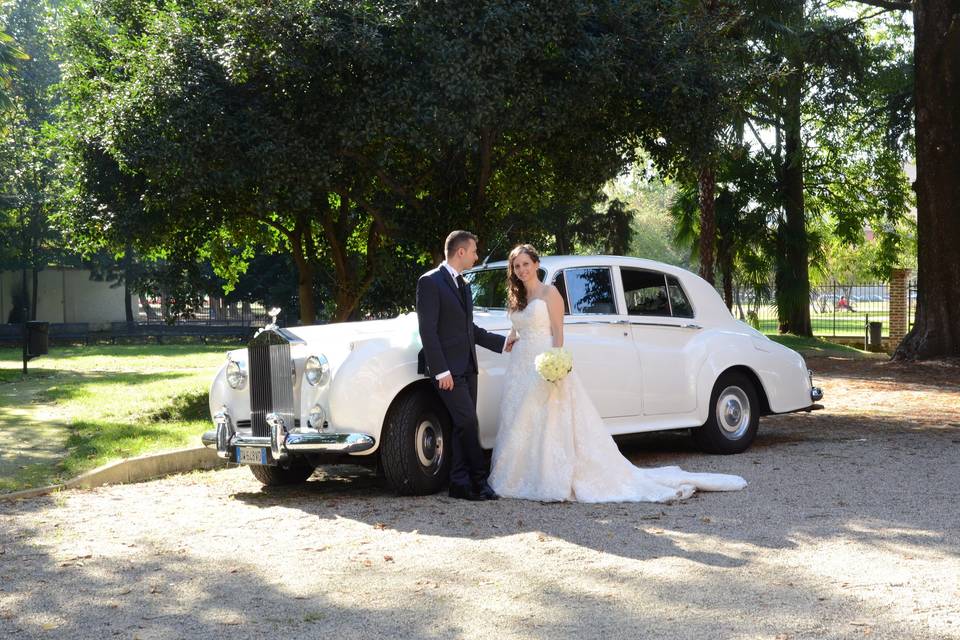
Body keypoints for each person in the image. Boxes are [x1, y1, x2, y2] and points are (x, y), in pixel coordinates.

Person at [488, 244, 747, 503]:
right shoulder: (518, 296)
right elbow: (518, 325)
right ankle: (519, 477)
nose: (522, 270)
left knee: (549, 421)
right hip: (520, 364)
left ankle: (549, 477)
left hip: (545, 362)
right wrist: (511, 338)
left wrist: (555, 364)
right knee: (522, 421)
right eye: (517, 266)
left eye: (526, 264)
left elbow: (558, 331)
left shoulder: (550, 293)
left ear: (535, 264)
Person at [416, 230, 512, 501]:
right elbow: (428, 331)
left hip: (469, 367)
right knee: (469, 421)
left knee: (462, 424)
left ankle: (459, 484)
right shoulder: (430, 282)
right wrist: (441, 370)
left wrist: (503, 343)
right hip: (447, 370)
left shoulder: (464, 284)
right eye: (474, 251)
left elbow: (468, 329)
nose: (476, 256)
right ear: (460, 252)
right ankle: (479, 481)